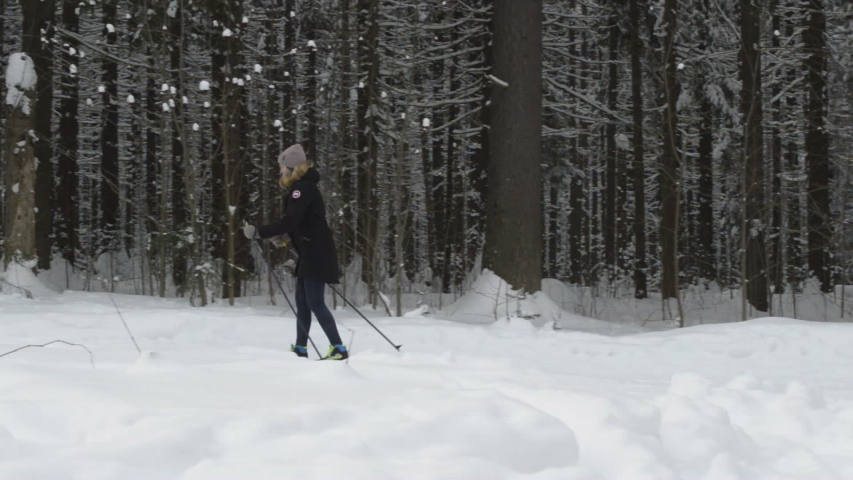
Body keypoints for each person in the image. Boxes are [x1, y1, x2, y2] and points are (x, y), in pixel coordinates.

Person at [242, 144, 348, 360]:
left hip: (316, 253)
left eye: (282, 167)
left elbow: (291, 220)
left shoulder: (302, 189)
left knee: (315, 303)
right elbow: (305, 222)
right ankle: (301, 348)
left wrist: (259, 232)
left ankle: (338, 348)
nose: (280, 171)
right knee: (303, 302)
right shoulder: (302, 188)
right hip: (311, 250)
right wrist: (285, 236)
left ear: (290, 167)